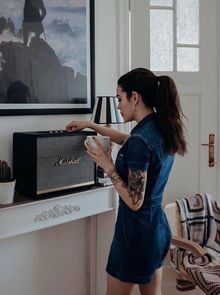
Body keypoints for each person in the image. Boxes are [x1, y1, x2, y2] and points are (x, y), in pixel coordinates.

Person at [66, 67, 187, 295]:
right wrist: (90, 125)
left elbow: (134, 201)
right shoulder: (159, 129)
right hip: (156, 231)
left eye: (119, 98)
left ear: (134, 97)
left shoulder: (142, 140)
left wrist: (107, 163)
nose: (118, 105)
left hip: (135, 236)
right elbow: (127, 139)